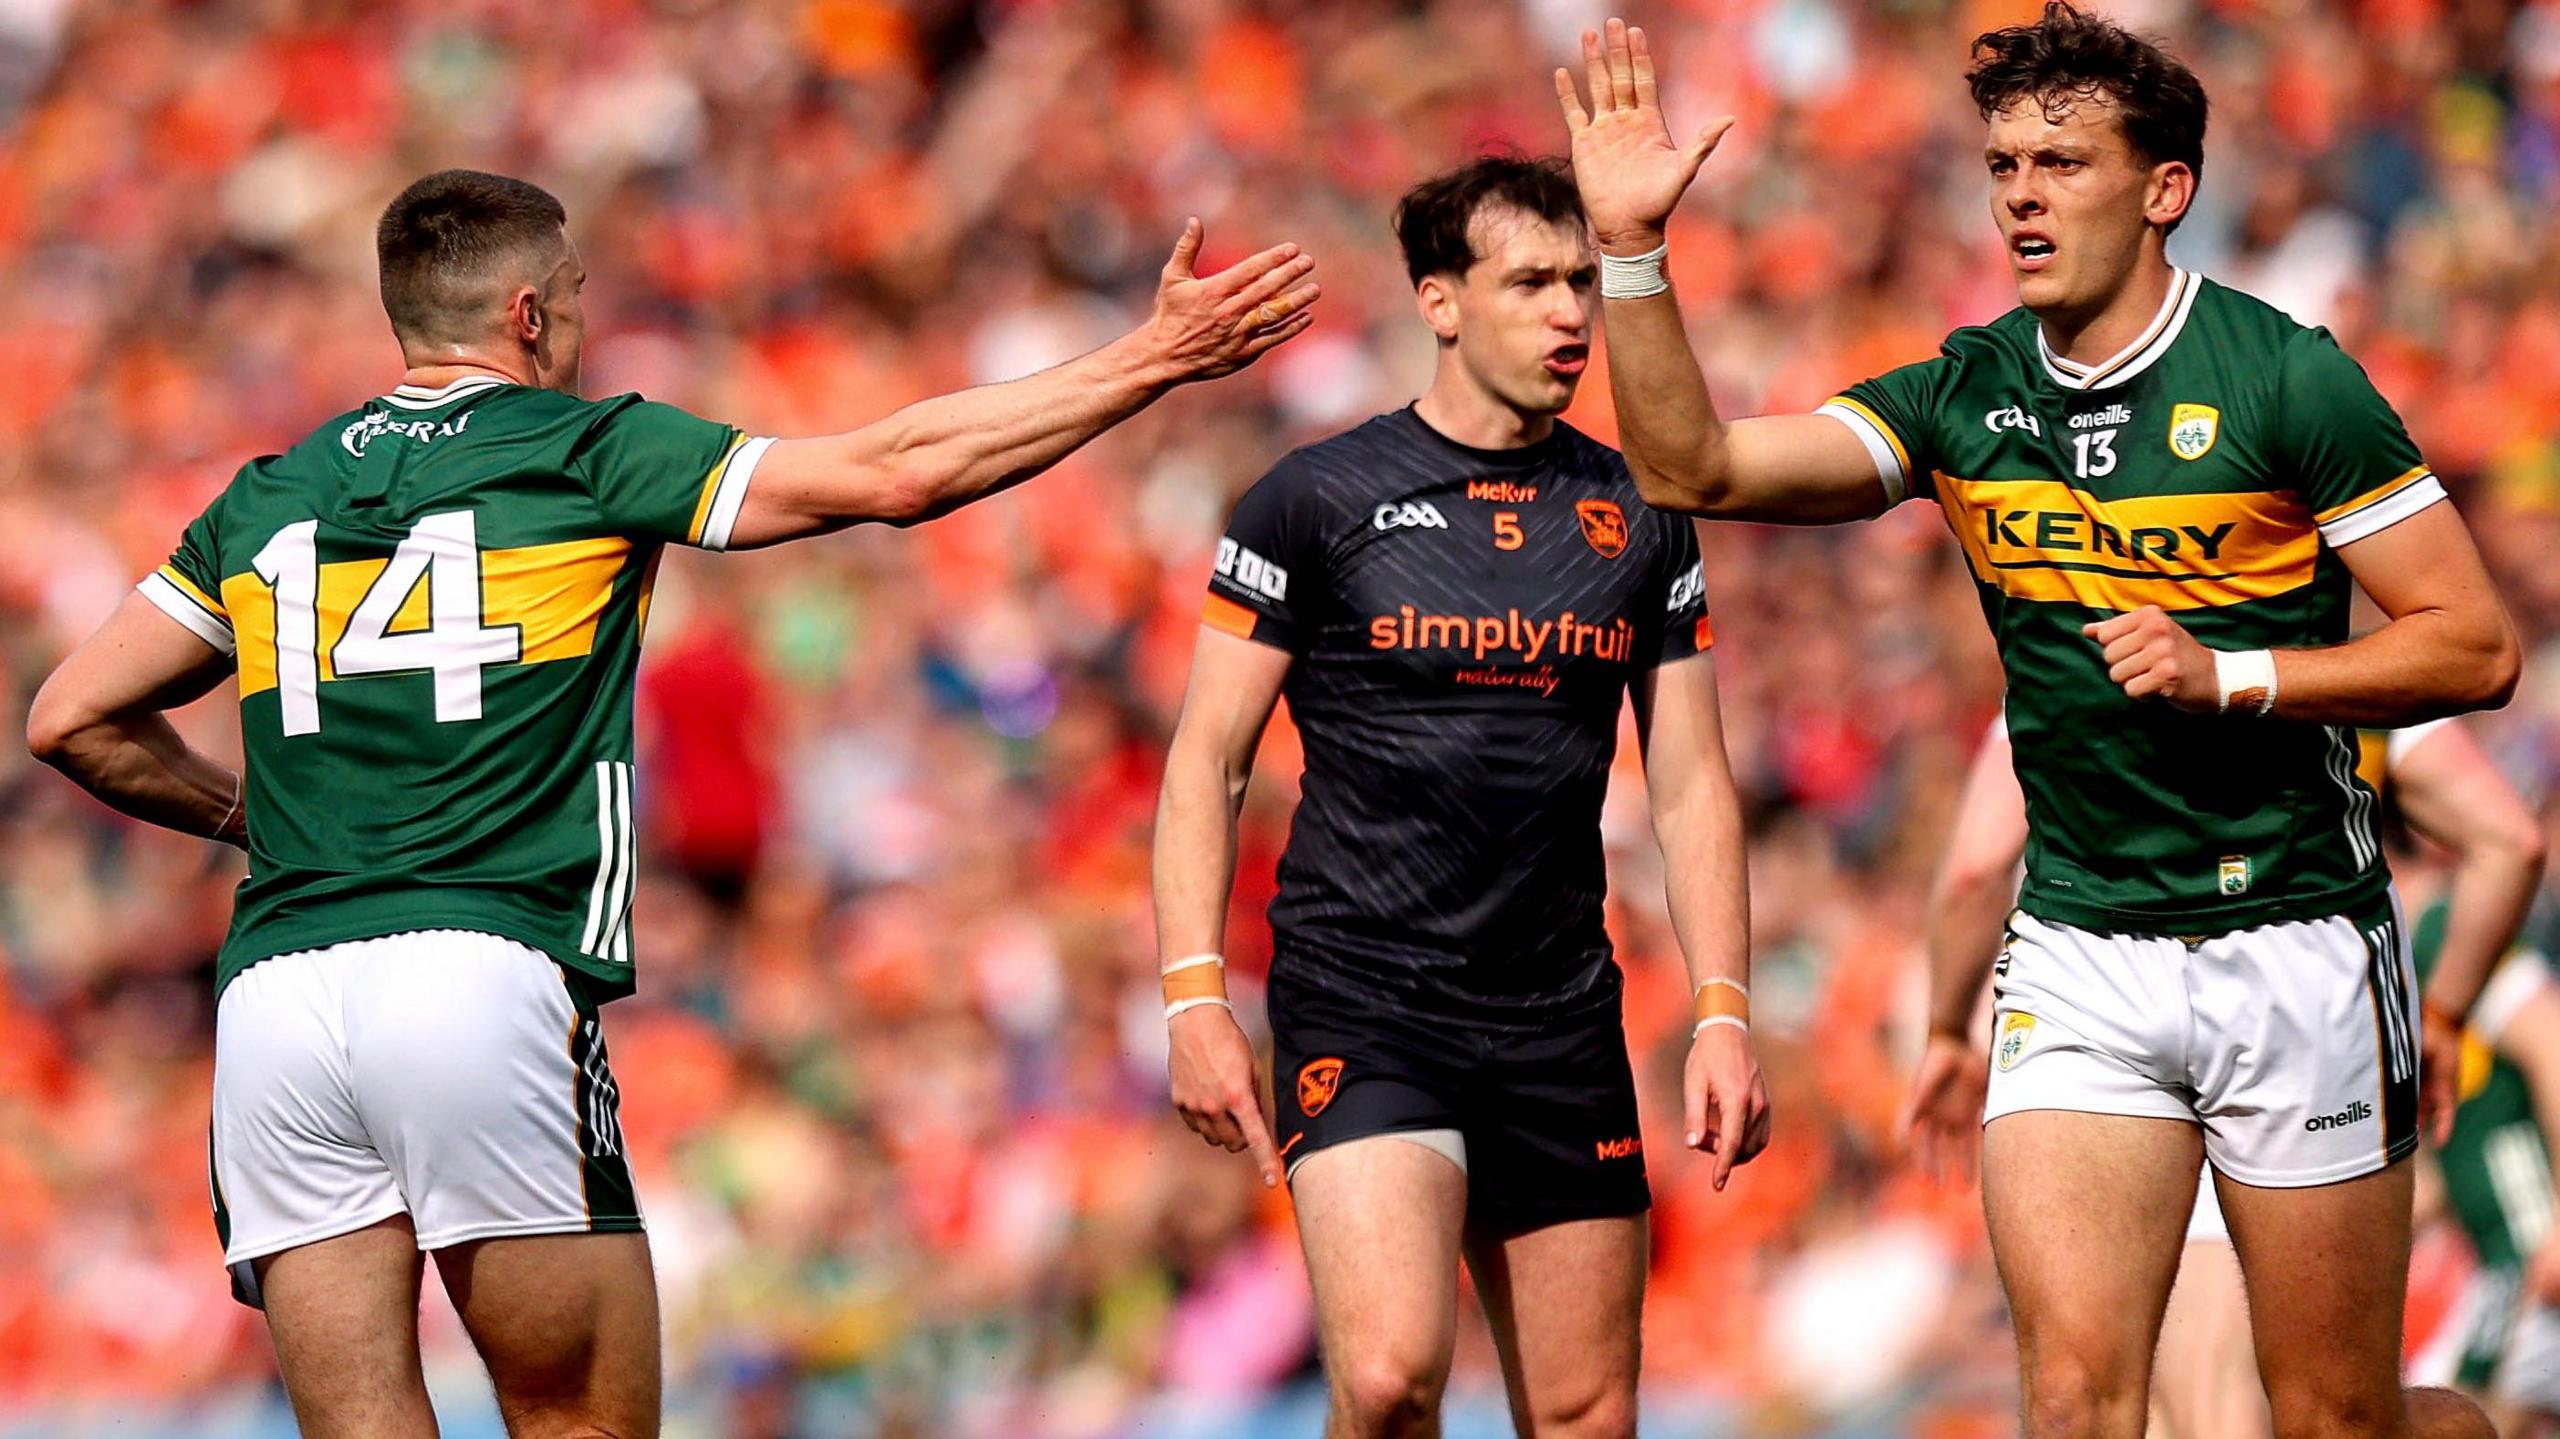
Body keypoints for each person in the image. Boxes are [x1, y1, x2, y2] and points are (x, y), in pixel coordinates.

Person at [23, 169, 1318, 1439]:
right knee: (580, 1416)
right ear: (529, 312)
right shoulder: (581, 449)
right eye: (576, 296)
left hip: (278, 996)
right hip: (477, 963)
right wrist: (1149, 358)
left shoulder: (269, 492)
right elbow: (898, 469)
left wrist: (255, 821)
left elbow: (70, 715)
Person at [1556, 7, 2522, 1436]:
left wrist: (2234, 672)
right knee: (2073, 1400)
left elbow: (2479, 642)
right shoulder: (1966, 389)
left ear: (2164, 189)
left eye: (2063, 160)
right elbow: (1691, 463)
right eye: (2004, 159)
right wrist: (1632, 250)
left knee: (2334, 1418)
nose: (2021, 189)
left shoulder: (2286, 375)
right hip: (2080, 947)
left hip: (2298, 935)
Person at [1150, 154, 1768, 1439]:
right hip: (1367, 995)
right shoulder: (1313, 499)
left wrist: (1719, 1007)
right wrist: (1194, 994)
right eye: (1531, 282)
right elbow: (1207, 755)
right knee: (1385, 1382)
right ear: (1439, 301)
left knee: (1587, 1411)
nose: (1569, 316)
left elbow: (1694, 780)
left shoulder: (1637, 508)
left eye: (1582, 285)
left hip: (1558, 1010)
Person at [1908, 715, 2547, 1438]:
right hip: (2307, 1016)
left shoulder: (2059, 647)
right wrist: (2440, 1014)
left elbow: (1973, 868)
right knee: (2308, 1413)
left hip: (2131, 1011)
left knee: (2187, 1412)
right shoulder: (2330, 654)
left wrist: (1945, 1028)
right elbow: (2509, 840)